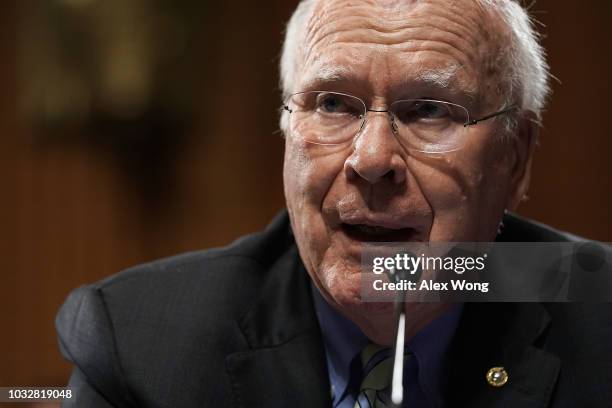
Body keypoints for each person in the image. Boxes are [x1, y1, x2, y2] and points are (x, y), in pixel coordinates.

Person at [56, 0, 612, 407]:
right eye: (331, 104)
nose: (371, 160)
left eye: (429, 111)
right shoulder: (139, 344)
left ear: (514, 158)